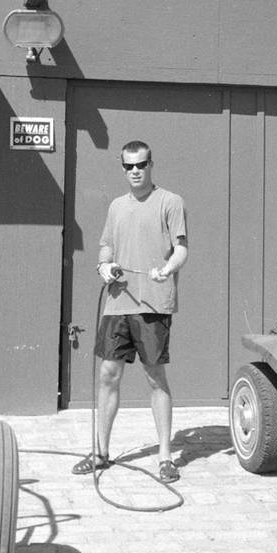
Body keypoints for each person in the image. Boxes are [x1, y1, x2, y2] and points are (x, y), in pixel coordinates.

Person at [73, 140, 188, 483]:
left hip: (153, 303)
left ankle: (166, 458)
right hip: (117, 302)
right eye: (128, 166)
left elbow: (181, 249)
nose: (135, 171)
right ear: (122, 168)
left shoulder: (170, 202)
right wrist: (104, 267)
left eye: (141, 165)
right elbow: (106, 247)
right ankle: (100, 453)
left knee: (155, 377)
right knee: (109, 374)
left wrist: (167, 269)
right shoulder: (116, 207)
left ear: (151, 164)